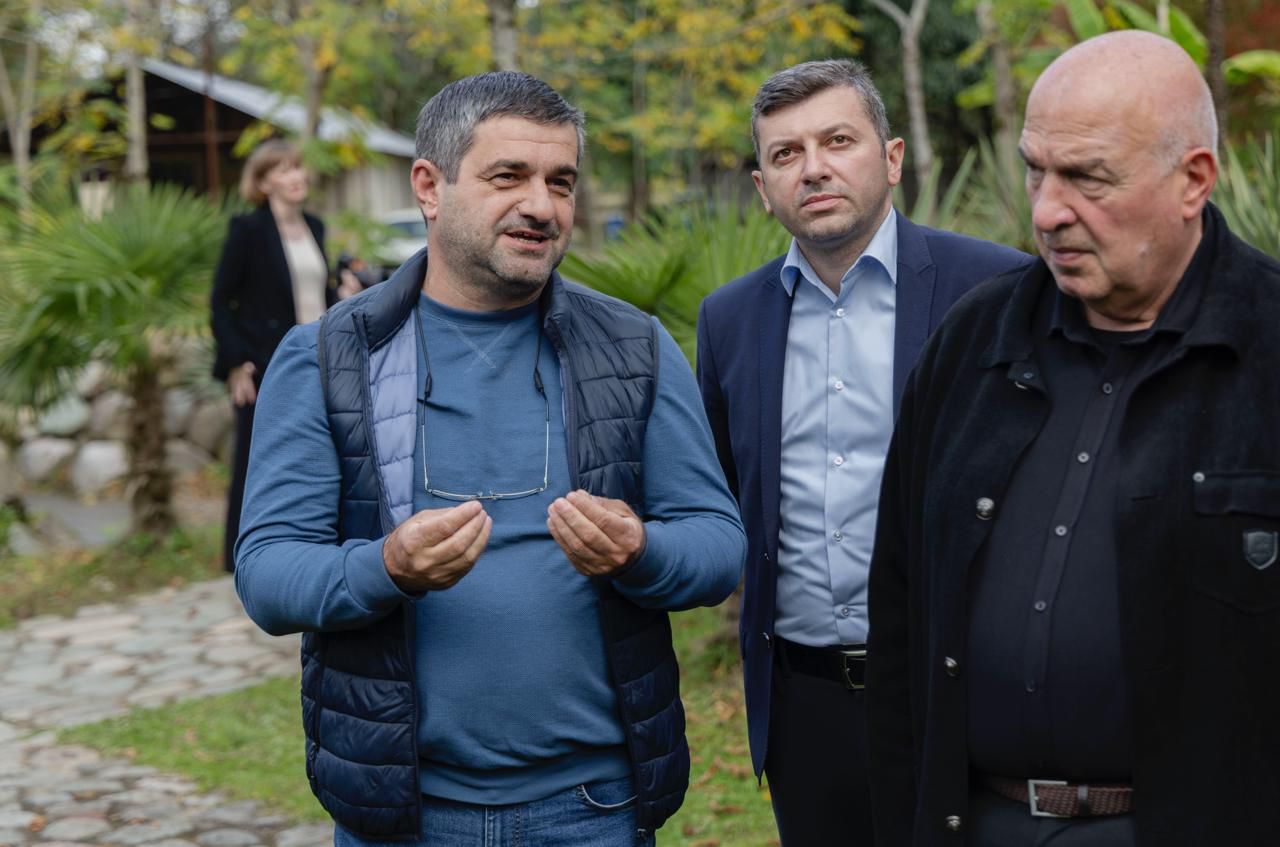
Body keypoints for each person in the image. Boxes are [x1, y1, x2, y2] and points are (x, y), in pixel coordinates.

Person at [234, 72, 745, 847]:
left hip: (594, 810)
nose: (542, 205)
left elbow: (718, 544)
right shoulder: (328, 357)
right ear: (428, 187)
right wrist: (385, 567)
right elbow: (269, 573)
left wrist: (641, 550)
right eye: (509, 176)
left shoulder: (634, 347)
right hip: (404, 816)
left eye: (560, 181)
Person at [866, 30, 1280, 846]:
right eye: (1036, 169)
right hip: (974, 821)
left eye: (1087, 178)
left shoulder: (1268, 349)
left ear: (1194, 179)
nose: (1047, 211)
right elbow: (901, 610)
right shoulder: (971, 342)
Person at [695, 59, 1028, 846]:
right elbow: (724, 490)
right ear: (762, 187)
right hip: (802, 703)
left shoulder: (997, 289)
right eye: (786, 154)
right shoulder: (729, 319)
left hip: (955, 690)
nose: (813, 168)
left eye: (838, 140)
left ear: (893, 157)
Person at [210, 139, 335, 573]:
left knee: (320, 454)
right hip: (265, 364)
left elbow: (320, 294)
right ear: (263, 183)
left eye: (297, 167)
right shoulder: (247, 230)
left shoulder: (315, 226)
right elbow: (219, 300)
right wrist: (235, 363)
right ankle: (240, 556)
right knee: (254, 459)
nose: (296, 176)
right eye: (284, 170)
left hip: (322, 360)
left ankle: (308, 543)